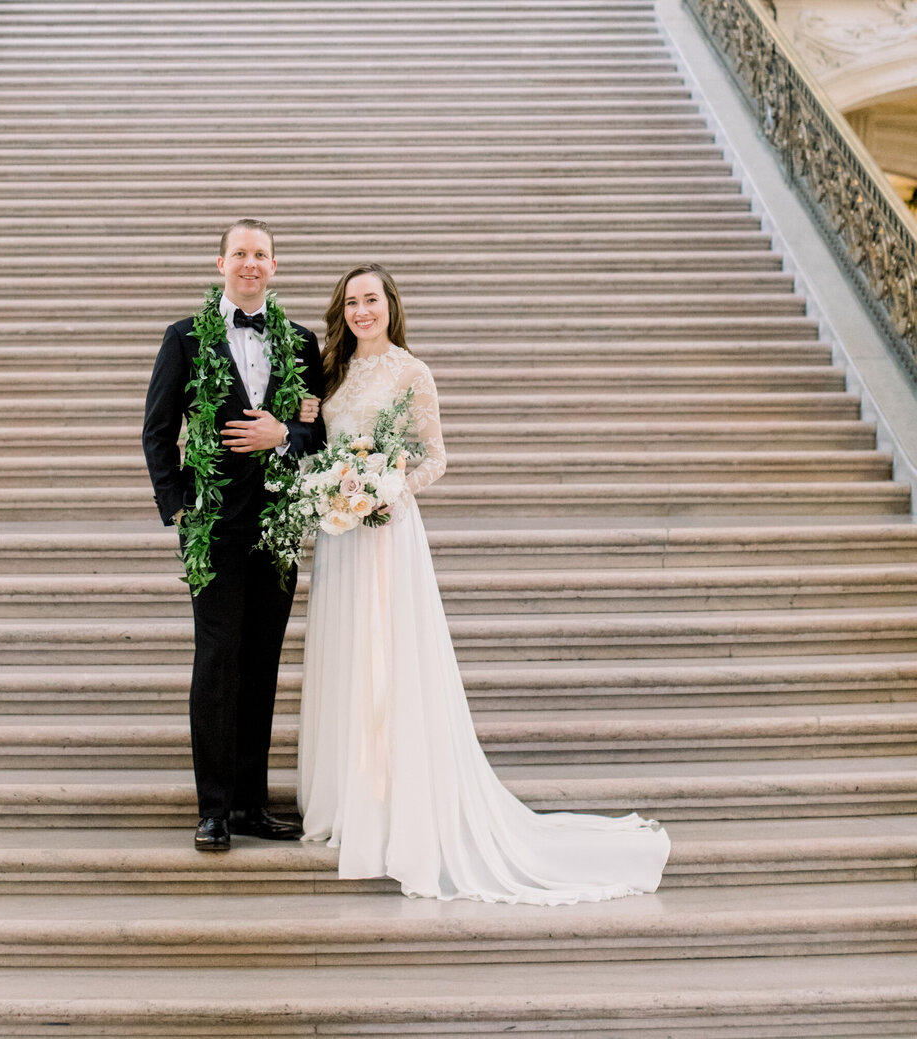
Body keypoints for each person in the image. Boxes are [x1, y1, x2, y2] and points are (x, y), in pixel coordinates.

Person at [295, 263, 671, 903]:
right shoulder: (329, 373)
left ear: (391, 306)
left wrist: (383, 489)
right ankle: (348, 797)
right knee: (348, 661)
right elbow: (314, 444)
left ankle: (397, 803)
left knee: (392, 664)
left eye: (372, 300)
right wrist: (331, 485)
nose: (362, 311)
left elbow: (435, 458)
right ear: (341, 310)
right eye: (351, 302)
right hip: (342, 539)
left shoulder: (412, 373)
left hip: (386, 533)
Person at [141, 220, 325, 854]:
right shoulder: (186, 338)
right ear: (221, 262)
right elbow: (158, 431)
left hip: (277, 530)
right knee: (217, 663)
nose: (251, 264)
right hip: (214, 529)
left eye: (262, 255)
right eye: (240, 253)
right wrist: (181, 509)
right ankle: (214, 808)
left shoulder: (302, 343)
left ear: (275, 266)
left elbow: (317, 436)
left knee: (263, 665)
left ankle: (252, 804)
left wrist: (286, 437)